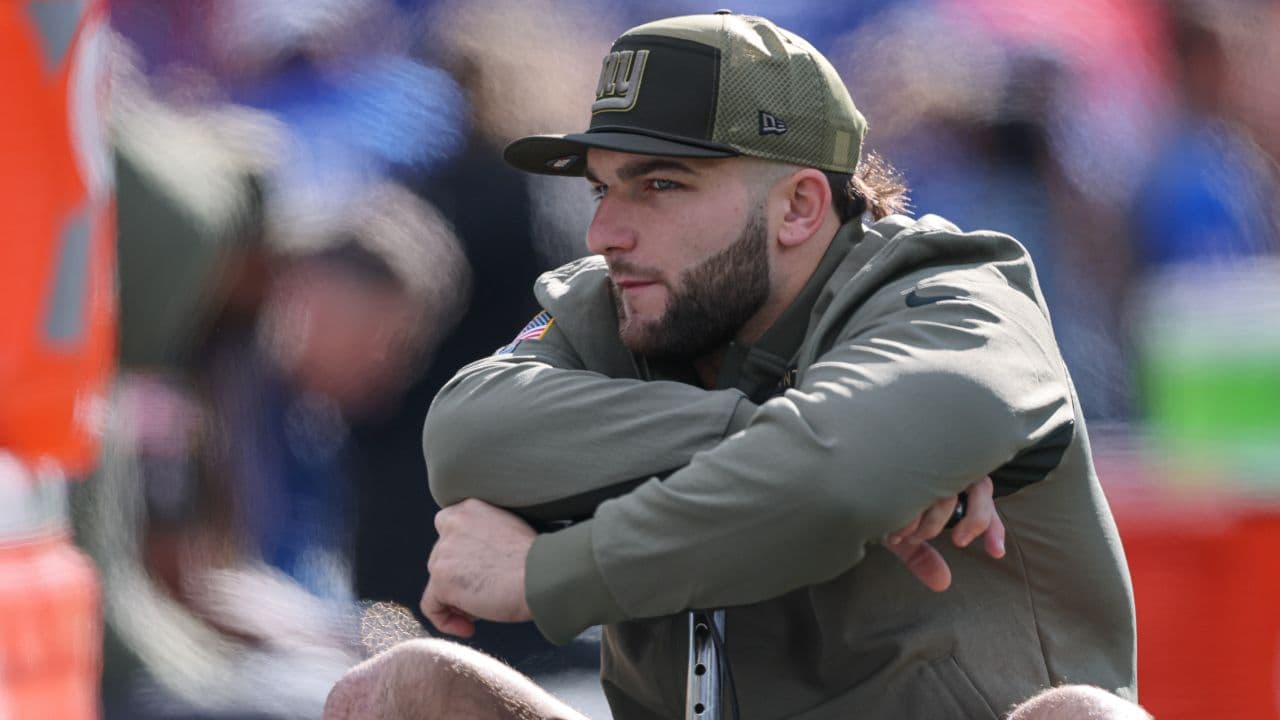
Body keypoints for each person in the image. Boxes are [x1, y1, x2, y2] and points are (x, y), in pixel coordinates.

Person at [345, 11, 1138, 719]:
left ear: (799, 206)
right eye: (602, 188)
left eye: (660, 184)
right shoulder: (626, 299)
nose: (605, 233)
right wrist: (796, 435)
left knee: (1083, 718)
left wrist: (545, 573)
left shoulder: (959, 302)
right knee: (401, 689)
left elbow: (831, 483)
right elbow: (467, 433)